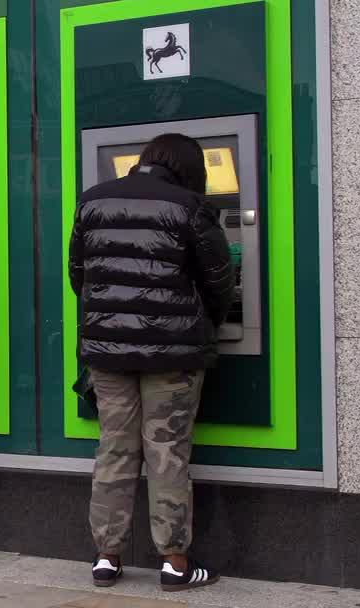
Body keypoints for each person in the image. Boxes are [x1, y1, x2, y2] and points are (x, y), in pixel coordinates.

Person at [68, 133, 235, 592]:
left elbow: (78, 275)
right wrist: (207, 322)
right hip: (172, 354)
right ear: (188, 167)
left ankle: (107, 558)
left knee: (115, 450)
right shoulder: (190, 206)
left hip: (108, 353)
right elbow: (220, 280)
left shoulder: (92, 202)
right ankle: (175, 564)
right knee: (167, 453)